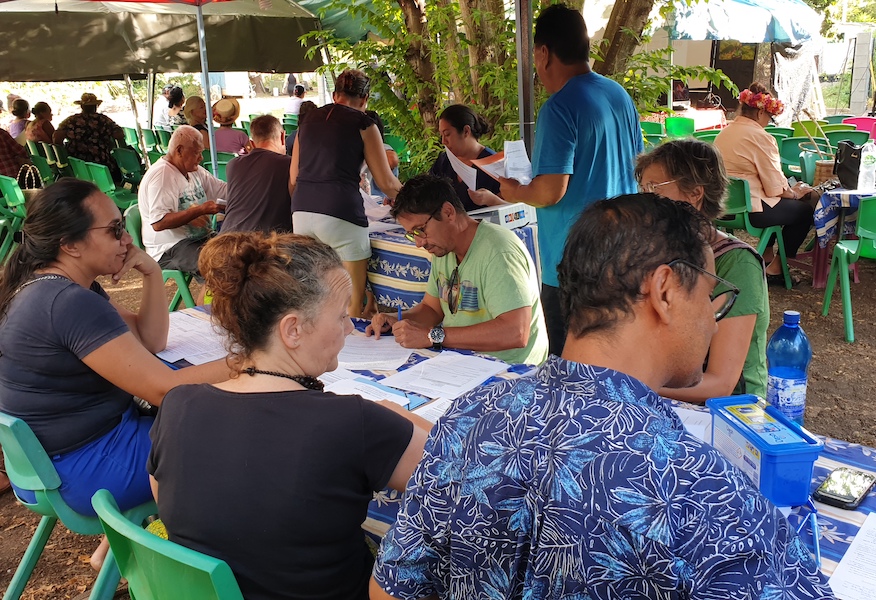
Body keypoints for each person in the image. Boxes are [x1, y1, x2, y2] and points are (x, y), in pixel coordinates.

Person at [370, 194, 833, 599]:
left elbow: (391, 587)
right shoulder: (703, 493)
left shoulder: (468, 420)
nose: (713, 321)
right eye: (710, 295)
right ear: (665, 291)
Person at [147, 232, 430, 600]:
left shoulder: (178, 405)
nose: (349, 327)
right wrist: (396, 418)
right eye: (341, 315)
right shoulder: (353, 422)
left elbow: (167, 502)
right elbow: (464, 475)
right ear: (293, 330)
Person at [0, 178, 230, 563]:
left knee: (195, 419)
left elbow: (150, 339)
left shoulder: (50, 286)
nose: (126, 239)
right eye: (114, 229)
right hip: (82, 469)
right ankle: (172, 555)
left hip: (51, 462)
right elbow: (165, 389)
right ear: (70, 244)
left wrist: (151, 272)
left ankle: (118, 545)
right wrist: (253, 360)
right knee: (228, 436)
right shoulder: (67, 302)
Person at [482, 4, 642, 356]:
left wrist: (515, 190)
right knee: (617, 359)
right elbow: (638, 167)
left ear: (543, 53)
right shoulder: (618, 94)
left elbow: (550, 191)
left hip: (573, 264)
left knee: (570, 367)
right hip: (624, 253)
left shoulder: (559, 107)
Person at [636, 139, 769, 401]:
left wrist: (634, 384)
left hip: (728, 410)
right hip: (662, 390)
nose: (644, 200)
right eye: (642, 188)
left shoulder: (737, 264)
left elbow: (721, 383)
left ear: (695, 194)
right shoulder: (654, 251)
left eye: (654, 188)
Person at [367, 174, 548, 365]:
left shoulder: (499, 252)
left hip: (508, 368)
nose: (419, 243)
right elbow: (431, 309)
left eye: (420, 230)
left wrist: (433, 336)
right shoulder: (444, 249)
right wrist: (396, 320)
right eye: (412, 235)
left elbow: (516, 332)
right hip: (464, 360)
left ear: (448, 212)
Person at [290, 69, 402, 318]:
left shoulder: (306, 122)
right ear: (365, 99)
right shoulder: (364, 123)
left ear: (335, 95)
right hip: (341, 211)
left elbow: (293, 179)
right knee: (352, 305)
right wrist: (415, 198)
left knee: (312, 301)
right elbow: (386, 182)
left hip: (301, 211)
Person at [714, 83, 816, 286]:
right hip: (750, 211)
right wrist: (796, 192)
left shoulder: (723, 133)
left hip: (722, 207)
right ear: (761, 112)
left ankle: (767, 254)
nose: (769, 122)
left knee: (774, 203)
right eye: (770, 117)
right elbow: (776, 188)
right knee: (804, 211)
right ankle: (777, 268)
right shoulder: (761, 137)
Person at [137, 126, 225, 280]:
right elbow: (159, 223)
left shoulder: (193, 170)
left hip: (197, 239)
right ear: (179, 150)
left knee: (236, 253)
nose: (201, 158)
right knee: (219, 266)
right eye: (197, 152)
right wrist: (200, 210)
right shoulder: (162, 176)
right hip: (170, 247)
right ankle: (211, 296)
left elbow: (222, 190)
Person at [222, 115, 292, 234]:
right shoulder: (288, 164)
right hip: (265, 241)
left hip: (226, 237)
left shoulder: (232, 165)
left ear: (252, 143)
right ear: (282, 136)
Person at [430, 104, 503, 211]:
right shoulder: (443, 161)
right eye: (442, 135)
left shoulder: (494, 163)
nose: (443, 141)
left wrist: (492, 200)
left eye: (447, 134)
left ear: (466, 131)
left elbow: (515, 210)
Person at [54, 92, 126, 183]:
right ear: (96, 106)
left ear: (81, 107)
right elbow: (119, 135)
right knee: (117, 173)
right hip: (101, 162)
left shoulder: (71, 120)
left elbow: (56, 138)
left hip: (77, 164)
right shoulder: (103, 120)